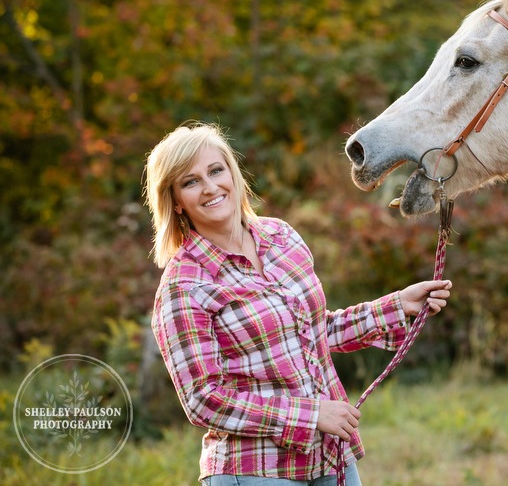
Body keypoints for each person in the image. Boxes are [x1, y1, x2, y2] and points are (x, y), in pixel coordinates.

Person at [144, 121, 451, 486]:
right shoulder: (184, 285)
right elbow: (203, 399)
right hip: (256, 470)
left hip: (328, 455)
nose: (210, 187)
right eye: (190, 182)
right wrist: (309, 415)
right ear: (175, 201)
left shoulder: (281, 237)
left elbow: (314, 331)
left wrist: (397, 306)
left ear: (233, 172)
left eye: (216, 170)